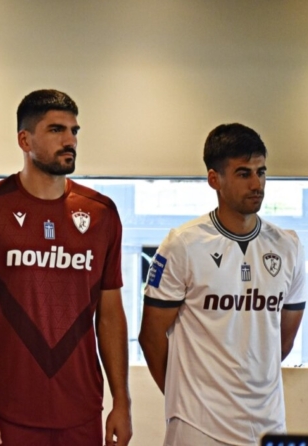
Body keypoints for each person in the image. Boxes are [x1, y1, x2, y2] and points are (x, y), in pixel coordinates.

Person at [0, 89, 133, 446]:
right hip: (3, 413)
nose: (70, 140)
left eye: (74, 131)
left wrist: (122, 402)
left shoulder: (102, 213)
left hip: (82, 410)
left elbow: (110, 316)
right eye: (56, 130)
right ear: (24, 140)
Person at [139, 123, 306, 446]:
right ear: (214, 179)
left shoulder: (289, 247)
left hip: (267, 425)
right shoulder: (182, 244)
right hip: (197, 427)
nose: (256, 184)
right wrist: (184, 398)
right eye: (244, 173)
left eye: (261, 172)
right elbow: (151, 336)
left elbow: (282, 342)